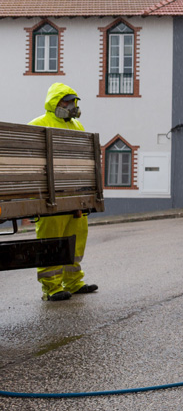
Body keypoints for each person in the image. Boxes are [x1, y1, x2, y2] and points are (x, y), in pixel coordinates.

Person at [29, 83, 99, 302]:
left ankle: (74, 282)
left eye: (72, 102)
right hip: (51, 194)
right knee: (51, 240)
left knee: (76, 239)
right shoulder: (39, 123)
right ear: (55, 103)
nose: (70, 105)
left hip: (74, 193)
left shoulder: (77, 125)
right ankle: (51, 287)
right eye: (66, 101)